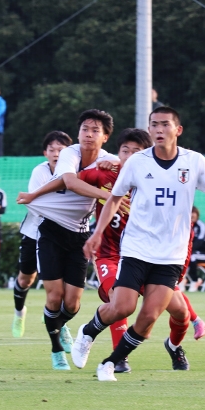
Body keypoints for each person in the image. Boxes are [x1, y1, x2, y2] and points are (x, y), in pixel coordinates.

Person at [72, 106, 205, 381]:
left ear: (177, 130)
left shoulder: (195, 161)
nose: (158, 129)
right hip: (137, 248)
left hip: (171, 255)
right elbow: (114, 200)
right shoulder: (137, 162)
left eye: (165, 124)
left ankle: (110, 363)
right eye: (154, 124)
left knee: (150, 317)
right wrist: (96, 233)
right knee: (123, 307)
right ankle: (88, 331)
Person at [17, 109, 119, 371]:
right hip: (50, 230)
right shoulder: (70, 153)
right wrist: (108, 196)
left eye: (95, 130)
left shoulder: (110, 160)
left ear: (105, 137)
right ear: (78, 133)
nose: (89, 134)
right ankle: (56, 349)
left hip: (80, 235)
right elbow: (70, 182)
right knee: (54, 297)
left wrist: (118, 165)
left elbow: (130, 171)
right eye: (85, 128)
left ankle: (56, 324)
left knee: (72, 304)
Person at [78, 128, 152, 373]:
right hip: (108, 253)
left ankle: (176, 345)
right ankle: (118, 358)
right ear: (118, 152)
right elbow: (73, 179)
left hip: (143, 254)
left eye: (137, 151)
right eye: (125, 150)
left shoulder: (153, 180)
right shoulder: (104, 173)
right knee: (116, 297)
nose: (130, 155)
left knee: (171, 307)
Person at [11, 131, 72, 338]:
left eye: (61, 149)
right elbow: (34, 203)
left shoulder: (75, 172)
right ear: (45, 152)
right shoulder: (40, 172)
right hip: (34, 232)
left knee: (61, 286)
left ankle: (59, 324)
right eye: (52, 149)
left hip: (61, 235)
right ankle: (20, 312)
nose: (56, 153)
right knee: (25, 279)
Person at [187, 206, 205, 292]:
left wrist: (188, 250)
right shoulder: (186, 225)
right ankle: (182, 280)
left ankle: (195, 281)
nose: (192, 215)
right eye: (190, 213)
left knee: (191, 257)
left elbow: (199, 241)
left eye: (193, 213)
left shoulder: (201, 226)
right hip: (192, 252)